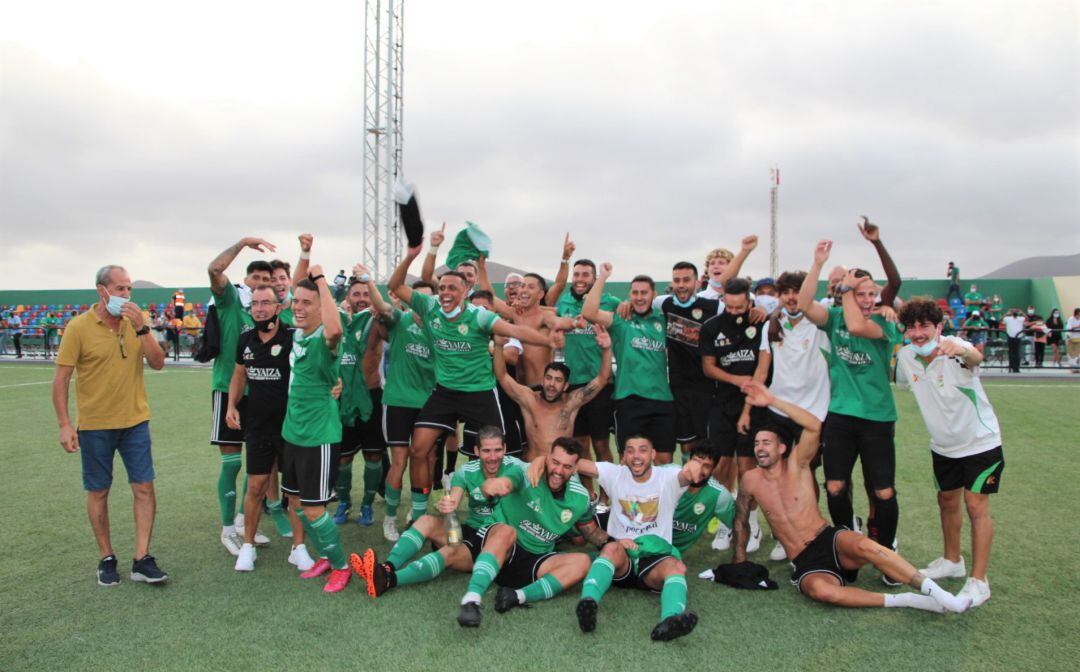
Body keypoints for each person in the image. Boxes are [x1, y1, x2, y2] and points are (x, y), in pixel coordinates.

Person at [732, 381, 971, 613]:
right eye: (756, 444)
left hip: (827, 538)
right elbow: (741, 520)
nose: (760, 448)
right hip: (805, 560)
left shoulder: (798, 464)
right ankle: (906, 600)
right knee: (823, 592)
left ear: (782, 448)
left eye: (766, 443)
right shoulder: (751, 479)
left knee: (867, 546)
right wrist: (739, 562)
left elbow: (814, 425)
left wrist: (772, 400)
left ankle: (939, 594)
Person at [386, 242, 554, 526]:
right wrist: (411, 256)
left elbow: (515, 330)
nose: (447, 293)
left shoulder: (480, 316)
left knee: (499, 453)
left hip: (479, 392)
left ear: (466, 291)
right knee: (419, 449)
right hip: (445, 392)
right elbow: (396, 285)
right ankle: (418, 515)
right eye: (443, 288)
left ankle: (503, 514)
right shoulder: (429, 307)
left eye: (453, 288)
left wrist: (550, 339)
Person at [52, 265, 168, 586]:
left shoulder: (136, 322)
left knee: (144, 487)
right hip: (94, 426)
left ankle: (142, 558)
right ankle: (106, 557)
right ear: (102, 291)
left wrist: (142, 329)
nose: (126, 296)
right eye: (120, 289)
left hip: (135, 422)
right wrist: (65, 424)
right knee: (99, 490)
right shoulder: (78, 328)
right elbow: (61, 380)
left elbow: (158, 363)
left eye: (129, 289)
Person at [798, 231, 904, 575]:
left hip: (876, 418)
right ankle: (847, 548)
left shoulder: (883, 322)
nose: (871, 298)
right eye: (864, 293)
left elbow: (858, 326)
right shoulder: (835, 318)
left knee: (883, 492)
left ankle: (888, 556)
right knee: (835, 487)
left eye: (874, 293)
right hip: (841, 416)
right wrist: (817, 264)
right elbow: (803, 305)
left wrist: (847, 287)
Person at [896, 299, 1003, 607]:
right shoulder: (906, 356)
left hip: (980, 442)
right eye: (912, 327)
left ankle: (979, 581)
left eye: (924, 326)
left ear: (938, 327)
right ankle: (952, 560)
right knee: (947, 501)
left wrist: (962, 351)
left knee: (975, 504)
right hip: (943, 447)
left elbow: (975, 357)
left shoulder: (954, 347)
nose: (917, 333)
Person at [566, 435, 711, 641]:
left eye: (643, 450)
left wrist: (695, 466)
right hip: (621, 559)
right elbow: (573, 462)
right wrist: (541, 460)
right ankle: (587, 604)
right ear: (623, 456)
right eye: (630, 450)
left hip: (653, 561)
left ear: (653, 454)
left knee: (677, 567)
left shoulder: (667, 477)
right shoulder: (614, 473)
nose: (636, 456)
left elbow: (689, 475)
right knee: (610, 548)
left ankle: (670, 621)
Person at [349, 426, 525, 596]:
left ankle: (388, 580)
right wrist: (448, 506)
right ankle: (386, 567)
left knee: (448, 552)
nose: (493, 457)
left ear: (505, 449)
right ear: (476, 451)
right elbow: (453, 499)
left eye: (497, 450)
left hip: (494, 541)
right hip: (472, 531)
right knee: (426, 521)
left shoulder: (516, 468)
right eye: (486, 451)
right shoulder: (466, 472)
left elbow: (541, 469)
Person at [455, 437, 600, 627]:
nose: (558, 470)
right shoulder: (526, 472)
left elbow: (590, 532)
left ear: (574, 470)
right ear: (547, 459)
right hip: (504, 550)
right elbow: (509, 481)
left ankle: (515, 596)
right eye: (555, 462)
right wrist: (498, 485)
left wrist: (612, 543)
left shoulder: (580, 498)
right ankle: (471, 600)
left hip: (534, 563)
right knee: (504, 532)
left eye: (566, 466)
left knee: (582, 562)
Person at [225, 285, 312, 572]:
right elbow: (239, 374)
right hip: (258, 428)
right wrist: (231, 406)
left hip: (292, 428)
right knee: (255, 487)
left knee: (295, 491)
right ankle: (247, 546)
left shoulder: (293, 337)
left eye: (266, 303)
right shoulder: (246, 339)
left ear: (278, 307)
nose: (260, 308)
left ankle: (298, 548)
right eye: (255, 304)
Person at [279, 267, 355, 592]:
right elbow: (295, 285)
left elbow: (335, 330)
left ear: (320, 308)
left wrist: (322, 281)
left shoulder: (326, 340)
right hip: (292, 434)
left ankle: (341, 566)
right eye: (296, 301)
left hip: (319, 437)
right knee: (295, 503)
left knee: (313, 508)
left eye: (306, 303)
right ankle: (325, 555)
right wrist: (306, 257)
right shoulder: (297, 334)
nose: (298, 307)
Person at [207, 237, 275, 554]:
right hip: (228, 390)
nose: (260, 284)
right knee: (232, 463)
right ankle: (226, 529)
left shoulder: (270, 315)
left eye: (267, 281)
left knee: (257, 466)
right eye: (256, 279)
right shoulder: (232, 303)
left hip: (261, 397)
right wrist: (242, 244)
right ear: (246, 281)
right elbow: (214, 268)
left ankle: (242, 522)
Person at [761, 269, 831, 560]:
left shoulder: (821, 321)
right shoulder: (772, 325)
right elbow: (764, 366)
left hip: (814, 412)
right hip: (779, 411)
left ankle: (812, 530)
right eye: (786, 292)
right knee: (780, 475)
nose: (792, 298)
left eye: (797, 291)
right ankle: (785, 534)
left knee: (809, 474)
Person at [699, 277, 772, 552]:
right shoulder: (712, 327)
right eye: (729, 307)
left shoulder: (762, 323)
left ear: (750, 302)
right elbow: (708, 367)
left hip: (755, 407)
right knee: (719, 467)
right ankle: (727, 523)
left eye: (739, 307)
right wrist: (735, 380)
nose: (734, 312)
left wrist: (748, 387)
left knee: (747, 470)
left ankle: (751, 523)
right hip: (722, 404)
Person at [582, 263, 676, 463]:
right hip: (629, 399)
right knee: (630, 460)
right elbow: (589, 312)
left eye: (644, 293)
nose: (639, 297)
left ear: (653, 295)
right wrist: (603, 277)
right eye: (635, 293)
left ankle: (660, 496)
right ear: (629, 295)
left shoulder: (663, 319)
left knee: (664, 459)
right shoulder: (621, 318)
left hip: (662, 399)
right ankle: (628, 497)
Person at [373, 280, 437, 541]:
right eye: (416, 297)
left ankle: (419, 515)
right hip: (398, 401)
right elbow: (381, 307)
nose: (420, 302)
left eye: (426, 299)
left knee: (425, 458)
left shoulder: (440, 328)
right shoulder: (400, 319)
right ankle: (390, 519)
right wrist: (368, 281)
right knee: (399, 460)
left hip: (430, 403)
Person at [491, 327, 611, 457]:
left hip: (561, 470)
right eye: (548, 378)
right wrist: (498, 345)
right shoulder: (530, 399)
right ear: (542, 381)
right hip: (535, 471)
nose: (552, 384)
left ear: (566, 386)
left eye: (558, 380)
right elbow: (502, 375)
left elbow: (602, 379)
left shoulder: (571, 402)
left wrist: (607, 349)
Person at [331, 265, 390, 527]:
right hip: (343, 397)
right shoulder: (338, 321)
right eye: (357, 294)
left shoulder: (376, 321)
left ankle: (367, 505)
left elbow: (388, 328)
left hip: (372, 395)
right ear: (349, 297)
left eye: (366, 294)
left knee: (374, 456)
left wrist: (378, 312)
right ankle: (344, 502)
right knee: (342, 457)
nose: (362, 299)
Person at [555, 259, 622, 476]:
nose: (580, 279)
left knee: (601, 445)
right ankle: (590, 496)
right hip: (573, 384)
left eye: (585, 275)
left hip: (601, 383)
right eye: (577, 274)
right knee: (579, 444)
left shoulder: (610, 302)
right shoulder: (563, 302)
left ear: (594, 278)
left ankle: (606, 496)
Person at [670, 443, 735, 555]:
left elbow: (738, 525)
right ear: (688, 461)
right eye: (696, 462)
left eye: (706, 466)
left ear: (713, 469)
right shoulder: (668, 475)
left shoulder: (719, 495)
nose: (699, 469)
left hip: (672, 554)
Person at [1001, 308, 1026, 373]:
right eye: (1013, 311)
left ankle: (1016, 368)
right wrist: (1007, 313)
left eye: (1016, 311)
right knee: (1011, 352)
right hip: (1010, 337)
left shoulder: (1020, 318)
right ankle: (1011, 366)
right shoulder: (1008, 318)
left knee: (1017, 353)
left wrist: (1022, 313)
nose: (1015, 313)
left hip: (1018, 337)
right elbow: (1000, 320)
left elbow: (1027, 319)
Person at [1066, 308, 1080, 374]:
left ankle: (1077, 368)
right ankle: (1072, 369)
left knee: (1078, 355)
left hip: (1078, 339)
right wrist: (1077, 326)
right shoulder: (1071, 319)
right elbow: (1069, 328)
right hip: (1071, 339)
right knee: (1072, 355)